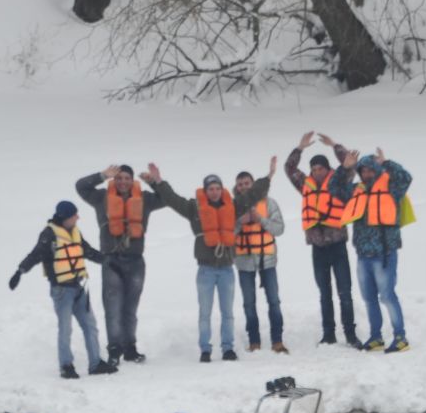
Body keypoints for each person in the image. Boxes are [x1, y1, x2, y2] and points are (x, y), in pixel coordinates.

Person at [148, 161, 273, 363]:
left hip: (226, 270)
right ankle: (205, 349)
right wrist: (159, 181)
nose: (214, 192)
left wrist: (268, 177)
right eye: (210, 189)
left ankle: (227, 348)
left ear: (221, 189)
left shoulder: (232, 206)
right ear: (205, 191)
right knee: (205, 313)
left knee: (227, 313)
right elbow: (172, 199)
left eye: (217, 188)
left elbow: (252, 195)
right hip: (205, 270)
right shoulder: (193, 208)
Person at [321, 135, 412, 353]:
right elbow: (333, 189)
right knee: (369, 298)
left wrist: (386, 163)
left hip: (385, 253)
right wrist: (345, 168)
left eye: (370, 170)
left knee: (387, 296)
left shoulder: (392, 189)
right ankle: (376, 337)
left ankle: (400, 337)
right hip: (363, 255)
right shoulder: (355, 191)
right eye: (363, 171)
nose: (366, 174)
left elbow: (405, 177)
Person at [10, 200, 118, 378]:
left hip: (79, 287)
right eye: (75, 215)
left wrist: (106, 260)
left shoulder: (75, 232)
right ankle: (66, 366)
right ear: (66, 217)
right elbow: (35, 255)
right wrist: (19, 272)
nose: (78, 217)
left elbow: (86, 250)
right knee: (66, 329)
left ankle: (96, 363)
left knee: (90, 326)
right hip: (62, 291)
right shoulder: (49, 235)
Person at [75, 163, 160, 363]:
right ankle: (114, 349)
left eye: (127, 178)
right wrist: (102, 175)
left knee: (130, 309)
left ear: (132, 180)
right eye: (119, 178)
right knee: (113, 308)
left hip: (136, 261)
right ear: (114, 180)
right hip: (111, 261)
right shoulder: (101, 198)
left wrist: (156, 182)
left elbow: (167, 199)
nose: (123, 182)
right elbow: (80, 187)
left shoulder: (145, 199)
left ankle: (130, 348)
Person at [285, 132, 359, 347]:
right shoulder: (305, 184)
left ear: (327, 169)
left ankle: (350, 334)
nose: (317, 172)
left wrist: (335, 145)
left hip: (337, 245)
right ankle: (329, 334)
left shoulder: (338, 181)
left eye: (320, 169)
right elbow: (289, 169)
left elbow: (349, 164)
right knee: (324, 293)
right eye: (314, 169)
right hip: (318, 247)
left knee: (344, 292)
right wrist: (299, 148)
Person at [232, 170, 287, 354]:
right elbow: (225, 234)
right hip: (244, 262)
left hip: (267, 260)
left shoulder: (269, 203)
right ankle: (254, 341)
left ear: (253, 184)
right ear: (236, 187)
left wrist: (260, 220)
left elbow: (279, 228)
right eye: (240, 184)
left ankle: (277, 341)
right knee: (249, 303)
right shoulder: (232, 207)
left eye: (247, 183)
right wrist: (241, 222)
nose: (243, 187)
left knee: (274, 301)